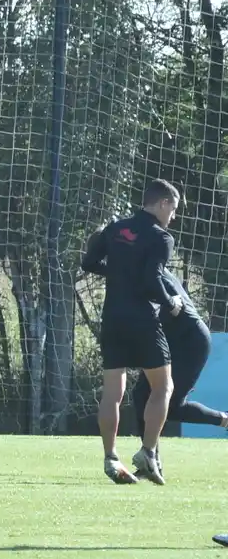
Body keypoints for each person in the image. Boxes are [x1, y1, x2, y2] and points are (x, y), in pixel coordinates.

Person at [80, 179, 182, 485]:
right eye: (173, 209)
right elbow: (152, 278)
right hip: (142, 320)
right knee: (163, 386)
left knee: (112, 393)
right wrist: (171, 302)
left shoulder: (115, 228)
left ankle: (111, 457)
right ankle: (148, 452)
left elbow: (88, 262)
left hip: (112, 318)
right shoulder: (161, 237)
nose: (173, 216)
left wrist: (118, 273)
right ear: (163, 203)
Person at [126, 270, 226, 458]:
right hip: (169, 342)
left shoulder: (151, 272)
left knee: (170, 406)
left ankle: (150, 457)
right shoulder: (137, 271)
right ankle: (150, 459)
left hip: (190, 343)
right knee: (141, 395)